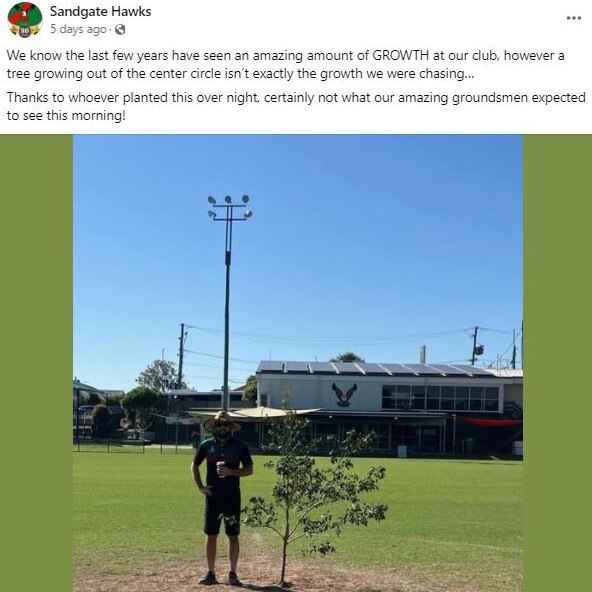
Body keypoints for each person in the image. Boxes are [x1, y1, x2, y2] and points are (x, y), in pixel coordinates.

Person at [191, 410, 254, 586]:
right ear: (214, 427)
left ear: (230, 427)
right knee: (211, 535)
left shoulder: (240, 446)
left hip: (232, 497)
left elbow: (249, 469)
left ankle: (233, 573)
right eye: (219, 424)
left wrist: (231, 472)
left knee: (233, 535)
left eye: (226, 424)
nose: (222, 427)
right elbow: (194, 465)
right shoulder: (206, 445)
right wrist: (200, 486)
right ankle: (210, 572)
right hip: (212, 497)